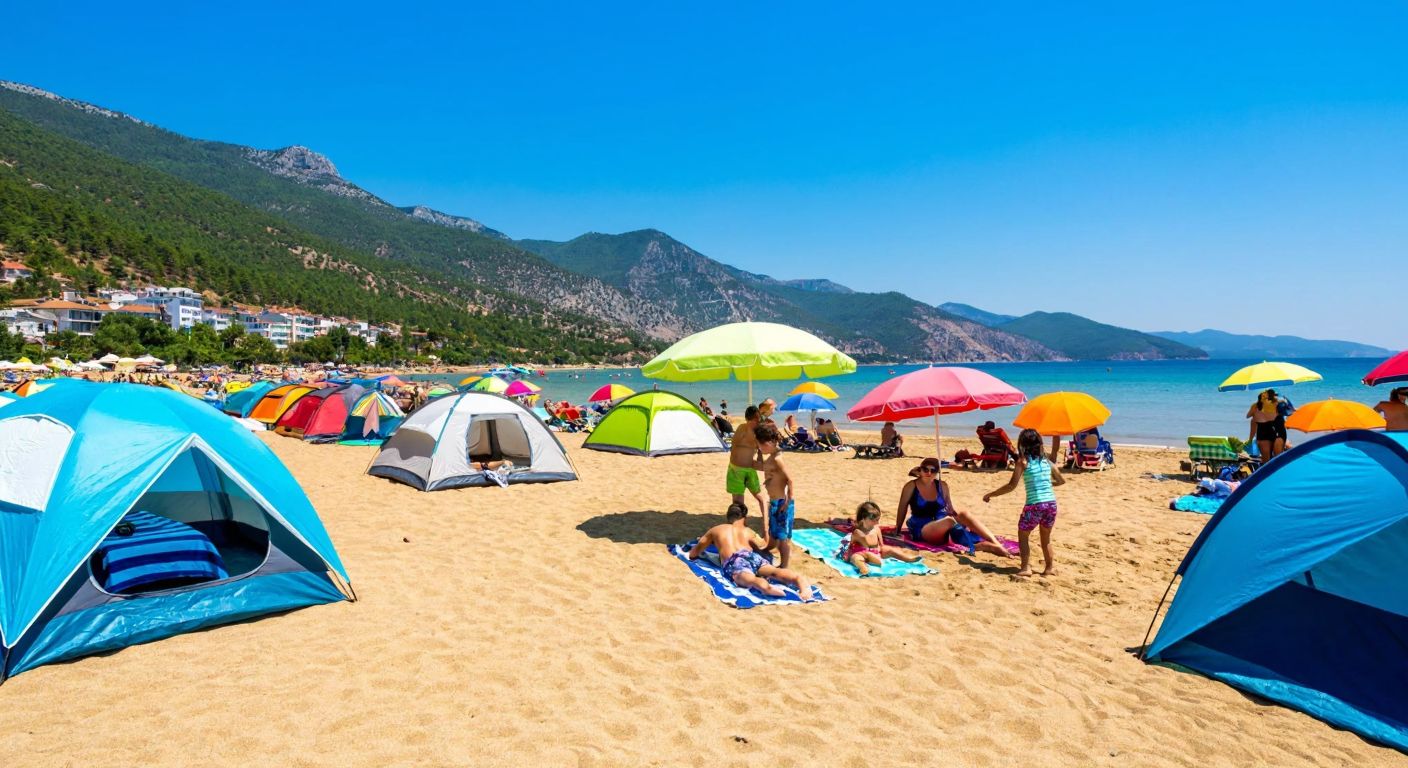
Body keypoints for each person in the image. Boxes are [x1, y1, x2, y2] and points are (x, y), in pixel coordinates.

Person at [983, 428, 1066, 577]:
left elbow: (1011, 485)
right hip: (1051, 504)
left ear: (1022, 444)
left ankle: (1025, 568)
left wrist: (991, 494)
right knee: (1045, 537)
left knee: (1023, 535)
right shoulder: (1047, 460)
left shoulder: (1023, 461)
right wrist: (1045, 485)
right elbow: (1061, 480)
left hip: (1034, 505)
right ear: (1039, 444)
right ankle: (1049, 568)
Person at [689, 502, 815, 600]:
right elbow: (761, 549)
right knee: (774, 571)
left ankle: (763, 585)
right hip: (752, 556)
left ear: (728, 517)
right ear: (744, 518)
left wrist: (694, 554)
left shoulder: (717, 529)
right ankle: (799, 580)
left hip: (735, 560)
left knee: (743, 577)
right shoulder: (748, 531)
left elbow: (695, 552)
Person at [895, 457, 1010, 557]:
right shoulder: (911, 486)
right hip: (924, 528)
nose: (929, 473)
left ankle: (994, 544)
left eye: (933, 470)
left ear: (937, 472)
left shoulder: (942, 486)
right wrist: (898, 529)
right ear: (920, 470)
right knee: (949, 521)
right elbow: (902, 508)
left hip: (943, 521)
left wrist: (963, 519)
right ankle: (980, 545)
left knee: (963, 514)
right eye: (925, 469)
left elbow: (950, 508)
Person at [755, 424, 796, 569]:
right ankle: (767, 549)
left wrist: (787, 501)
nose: (759, 448)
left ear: (768, 443)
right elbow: (767, 470)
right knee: (773, 533)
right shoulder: (771, 456)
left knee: (782, 539)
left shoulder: (778, 458)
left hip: (781, 502)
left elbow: (790, 480)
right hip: (774, 502)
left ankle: (784, 565)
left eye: (760, 446)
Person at [846, 501, 922, 576]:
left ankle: (908, 559)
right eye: (874, 520)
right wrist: (846, 557)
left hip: (874, 555)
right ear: (863, 519)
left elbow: (881, 545)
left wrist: (884, 550)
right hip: (861, 554)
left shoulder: (876, 529)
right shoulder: (857, 533)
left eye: (878, 520)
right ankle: (863, 569)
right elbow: (850, 547)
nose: (877, 523)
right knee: (855, 557)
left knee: (890, 549)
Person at [726, 405, 767, 520]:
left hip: (745, 468)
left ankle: (767, 521)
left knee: (759, 498)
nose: (759, 420)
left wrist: (758, 453)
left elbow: (760, 452)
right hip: (738, 469)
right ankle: (740, 525)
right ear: (754, 418)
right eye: (758, 418)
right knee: (739, 502)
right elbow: (735, 448)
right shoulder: (743, 429)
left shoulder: (753, 431)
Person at [1246, 391, 1281, 461]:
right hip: (1274, 433)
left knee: (1266, 460)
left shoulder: (1255, 407)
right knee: (1276, 459)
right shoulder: (1275, 405)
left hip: (1263, 434)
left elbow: (1248, 416)